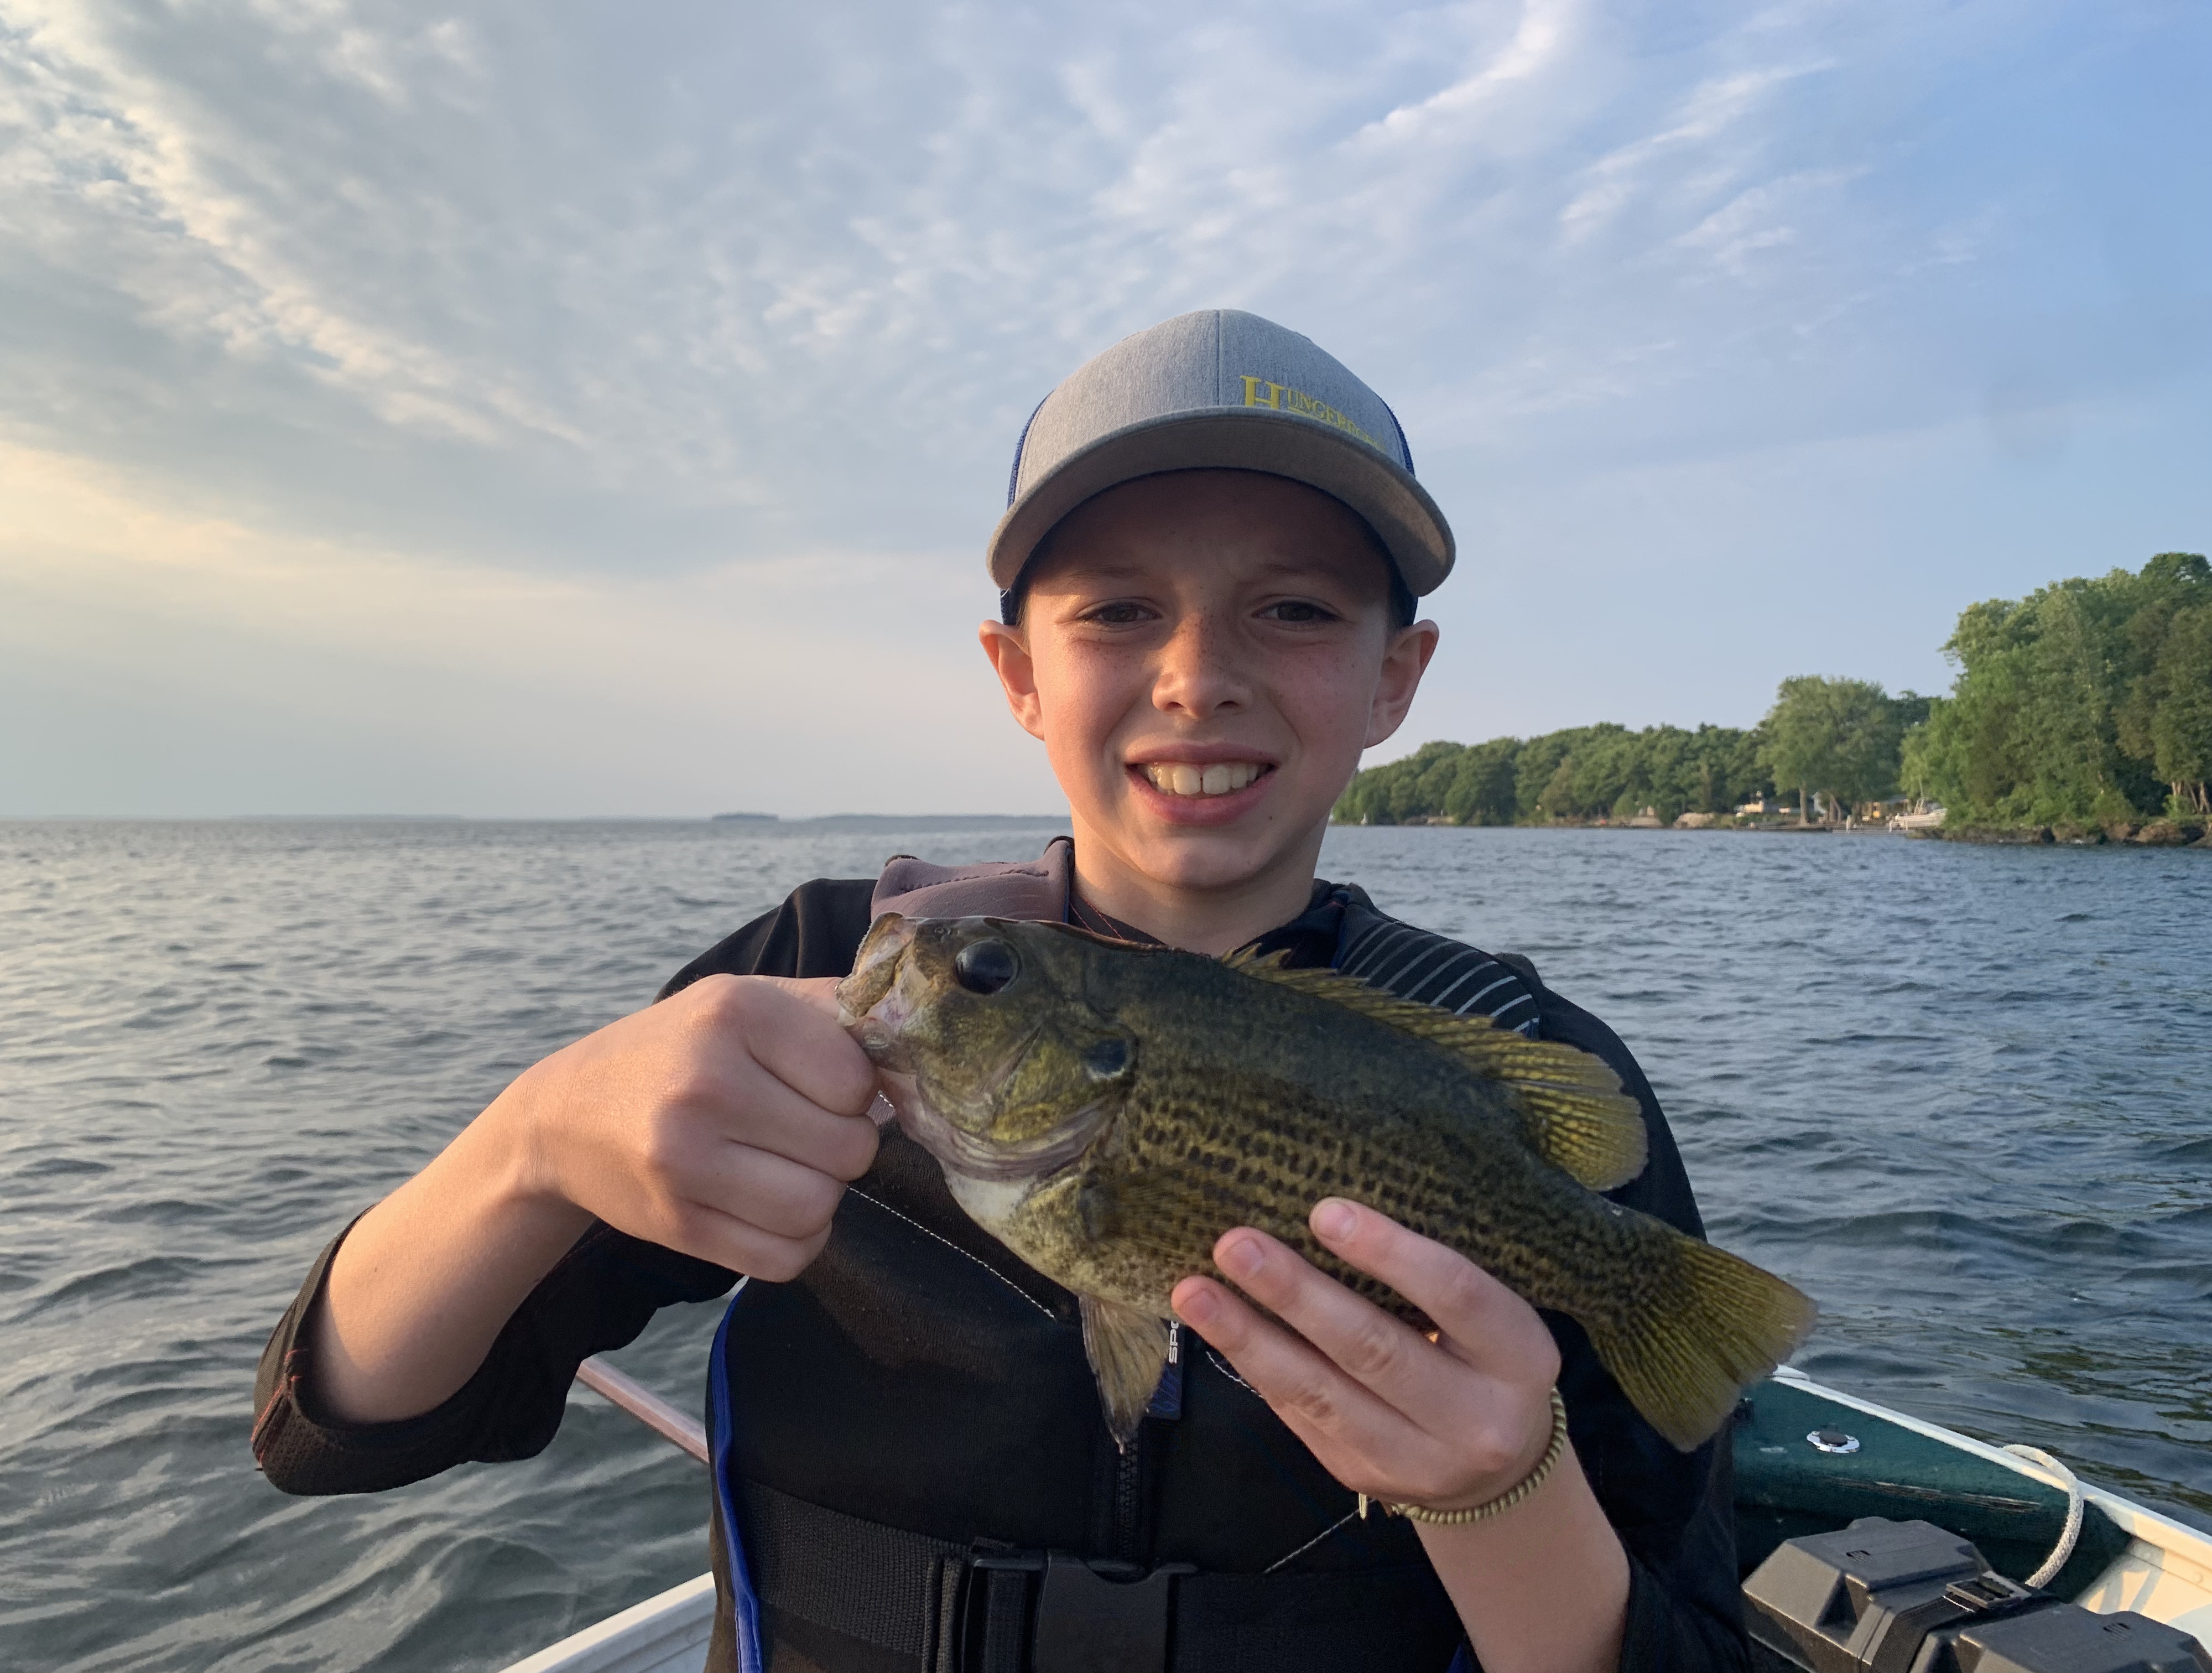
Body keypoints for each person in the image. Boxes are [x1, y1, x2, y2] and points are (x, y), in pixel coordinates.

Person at [254, 310, 1748, 1673]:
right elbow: (338, 1431)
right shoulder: (816, 976)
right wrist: (531, 1138)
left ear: (1395, 680)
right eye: (1118, 612)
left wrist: (1502, 1495)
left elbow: (1695, 1635)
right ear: (1018, 672)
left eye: (1293, 610)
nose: (1197, 677)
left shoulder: (1512, 1056)